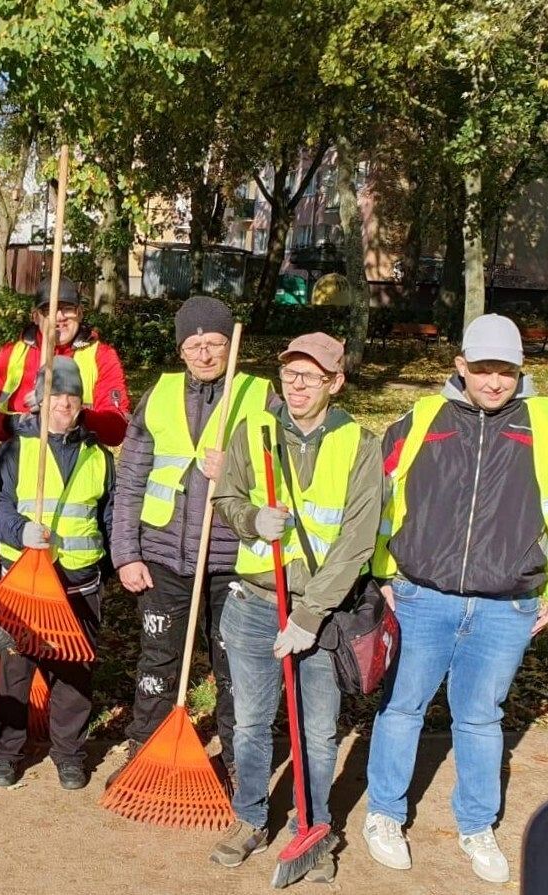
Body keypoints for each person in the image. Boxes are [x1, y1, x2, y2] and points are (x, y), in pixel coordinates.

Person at [363, 314, 548, 884]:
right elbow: (372, 493)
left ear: (520, 371)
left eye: (505, 371)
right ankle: (385, 814)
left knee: (481, 718)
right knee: (402, 708)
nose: (494, 382)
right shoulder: (421, 419)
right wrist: (377, 572)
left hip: (504, 607)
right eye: (483, 369)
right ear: (460, 367)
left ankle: (476, 825)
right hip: (420, 597)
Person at [210, 332, 381, 881]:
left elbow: (357, 541)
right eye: (291, 373)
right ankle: (250, 819)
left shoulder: (360, 444)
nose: (297, 384)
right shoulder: (254, 430)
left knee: (318, 729)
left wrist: (308, 617)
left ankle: (314, 826)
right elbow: (227, 496)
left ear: (336, 382)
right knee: (254, 722)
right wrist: (250, 518)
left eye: (311, 376)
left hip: (321, 615)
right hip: (255, 602)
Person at [106, 295, 277, 782]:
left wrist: (235, 471)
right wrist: (125, 553)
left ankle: (235, 768)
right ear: (181, 350)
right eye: (193, 345)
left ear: (230, 345)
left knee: (232, 670)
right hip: (162, 557)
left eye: (215, 343)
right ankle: (147, 755)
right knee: (158, 661)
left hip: (234, 562)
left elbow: (284, 476)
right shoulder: (159, 395)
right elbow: (132, 478)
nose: (204, 354)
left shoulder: (259, 396)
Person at [0, 357, 113, 790]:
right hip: (26, 581)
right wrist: (22, 531)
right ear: (39, 400)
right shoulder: (17, 449)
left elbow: (108, 516)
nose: (64, 404)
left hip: (79, 580)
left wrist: (110, 568)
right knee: (16, 671)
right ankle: (6, 753)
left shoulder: (96, 454)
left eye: (72, 396)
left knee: (74, 673)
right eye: (55, 395)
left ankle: (69, 754)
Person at [0, 277, 130, 447]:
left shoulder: (102, 357)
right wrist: (20, 422)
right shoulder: (11, 355)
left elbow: (116, 429)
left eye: (68, 308)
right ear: (35, 316)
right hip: (20, 463)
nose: (59, 316)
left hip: (77, 463)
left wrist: (70, 414)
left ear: (80, 313)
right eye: (49, 309)